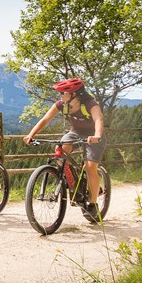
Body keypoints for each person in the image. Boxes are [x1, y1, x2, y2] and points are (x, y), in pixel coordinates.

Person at [23, 77, 106, 220]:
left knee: (90, 167)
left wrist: (97, 135)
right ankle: (74, 185)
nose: (60, 96)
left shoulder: (89, 103)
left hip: (94, 136)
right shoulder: (62, 104)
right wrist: (31, 134)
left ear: (75, 93)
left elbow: (99, 119)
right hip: (75, 133)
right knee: (59, 153)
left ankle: (92, 203)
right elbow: (45, 119)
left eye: (63, 93)